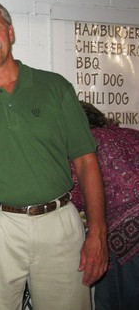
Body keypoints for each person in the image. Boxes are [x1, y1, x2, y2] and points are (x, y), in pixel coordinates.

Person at [0, 0, 108, 310]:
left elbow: (86, 161)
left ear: (10, 32)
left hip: (59, 224)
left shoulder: (55, 88)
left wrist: (98, 231)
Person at [70, 102, 139, 310]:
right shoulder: (130, 133)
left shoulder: (84, 149)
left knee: (113, 302)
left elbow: (74, 194)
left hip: (128, 238)